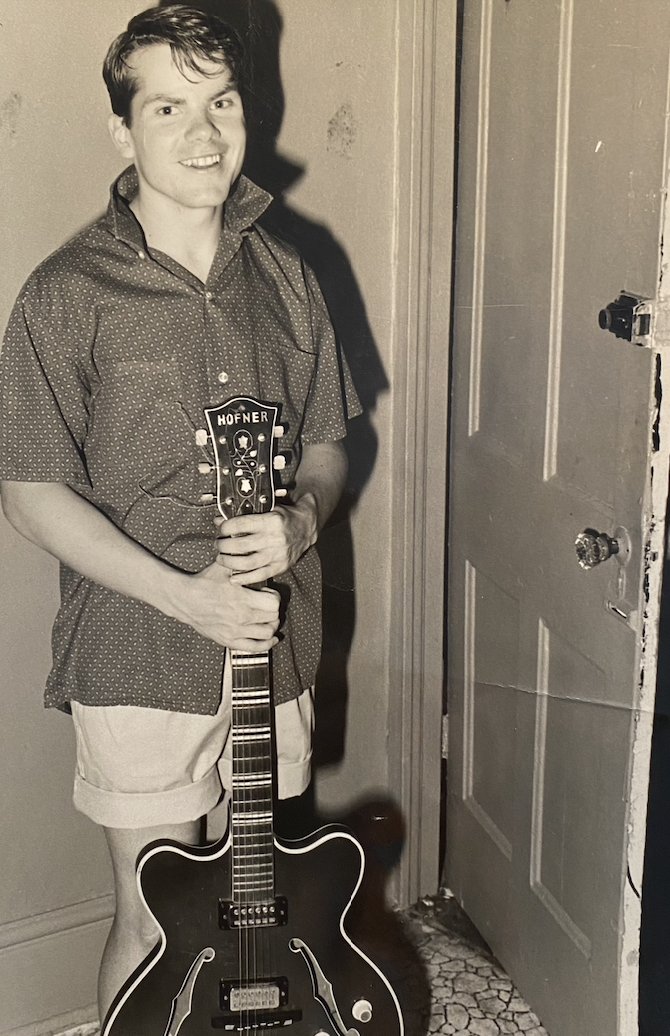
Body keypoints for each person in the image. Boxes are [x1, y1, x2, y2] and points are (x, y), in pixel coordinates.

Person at [0, 3, 358, 1020]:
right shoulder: (65, 292)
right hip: (137, 652)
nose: (203, 135)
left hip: (269, 645)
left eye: (221, 103)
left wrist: (302, 521)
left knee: (255, 901)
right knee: (153, 913)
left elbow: (326, 441)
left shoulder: (289, 276)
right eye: (168, 107)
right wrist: (182, 598)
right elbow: (28, 491)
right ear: (124, 129)